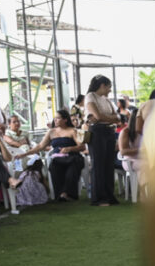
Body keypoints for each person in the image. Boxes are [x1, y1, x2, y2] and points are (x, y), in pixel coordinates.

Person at [21, 109, 85, 201]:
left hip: (73, 157)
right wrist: (25, 153)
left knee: (72, 168)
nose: (55, 120)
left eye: (58, 118)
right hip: (58, 158)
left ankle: (67, 194)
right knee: (53, 167)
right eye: (55, 118)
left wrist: (70, 148)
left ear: (65, 120)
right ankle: (60, 194)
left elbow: (82, 147)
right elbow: (40, 146)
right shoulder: (51, 132)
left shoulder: (72, 131)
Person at [83, 75, 120, 206]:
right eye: (109, 87)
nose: (110, 90)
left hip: (109, 131)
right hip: (97, 132)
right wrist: (110, 118)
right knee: (98, 165)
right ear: (102, 85)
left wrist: (106, 118)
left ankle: (109, 195)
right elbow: (97, 116)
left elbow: (117, 117)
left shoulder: (106, 100)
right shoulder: (90, 96)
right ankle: (98, 198)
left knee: (109, 165)